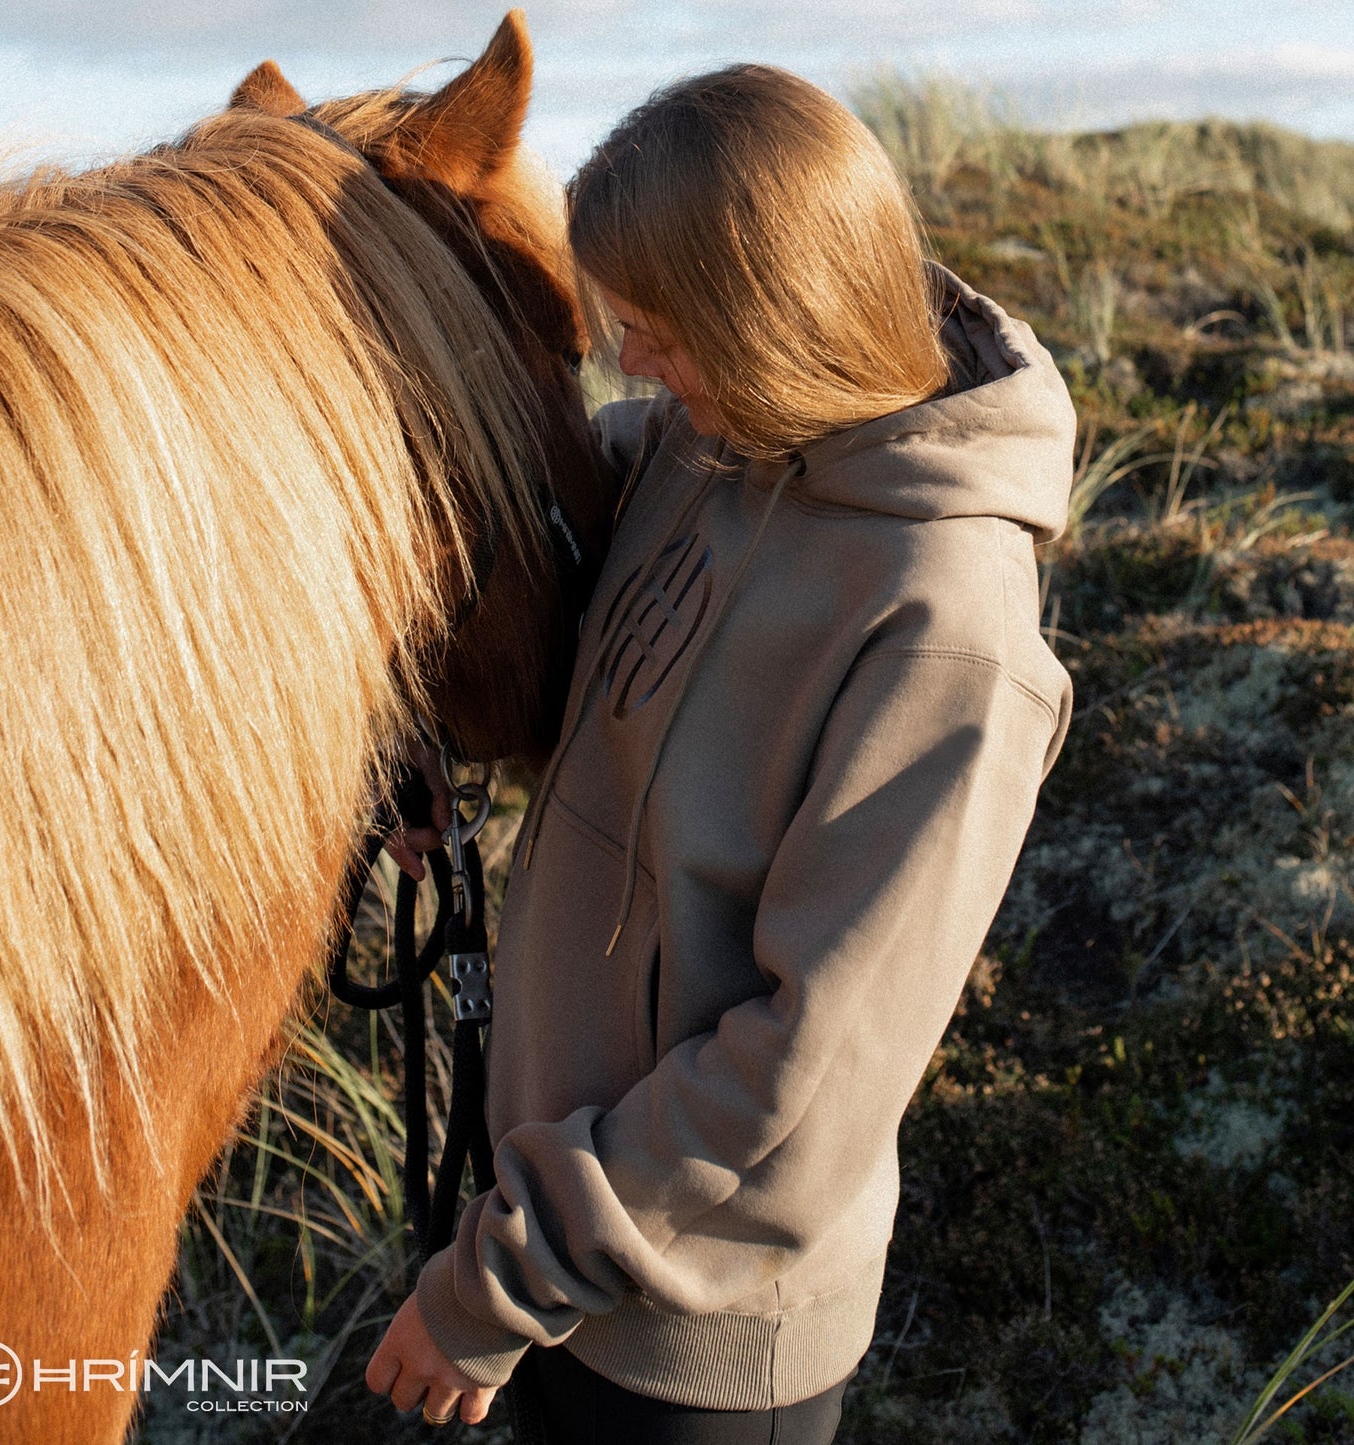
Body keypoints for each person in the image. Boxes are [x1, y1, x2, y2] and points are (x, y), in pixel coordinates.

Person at [367, 62, 1075, 1442]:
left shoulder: (947, 632)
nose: (629, 367)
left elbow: (793, 1070)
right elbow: (536, 533)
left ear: (775, 320)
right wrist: (413, 730)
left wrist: (491, 1288)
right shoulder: (714, 441)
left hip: (689, 1333)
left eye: (656, 331)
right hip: (562, 1241)